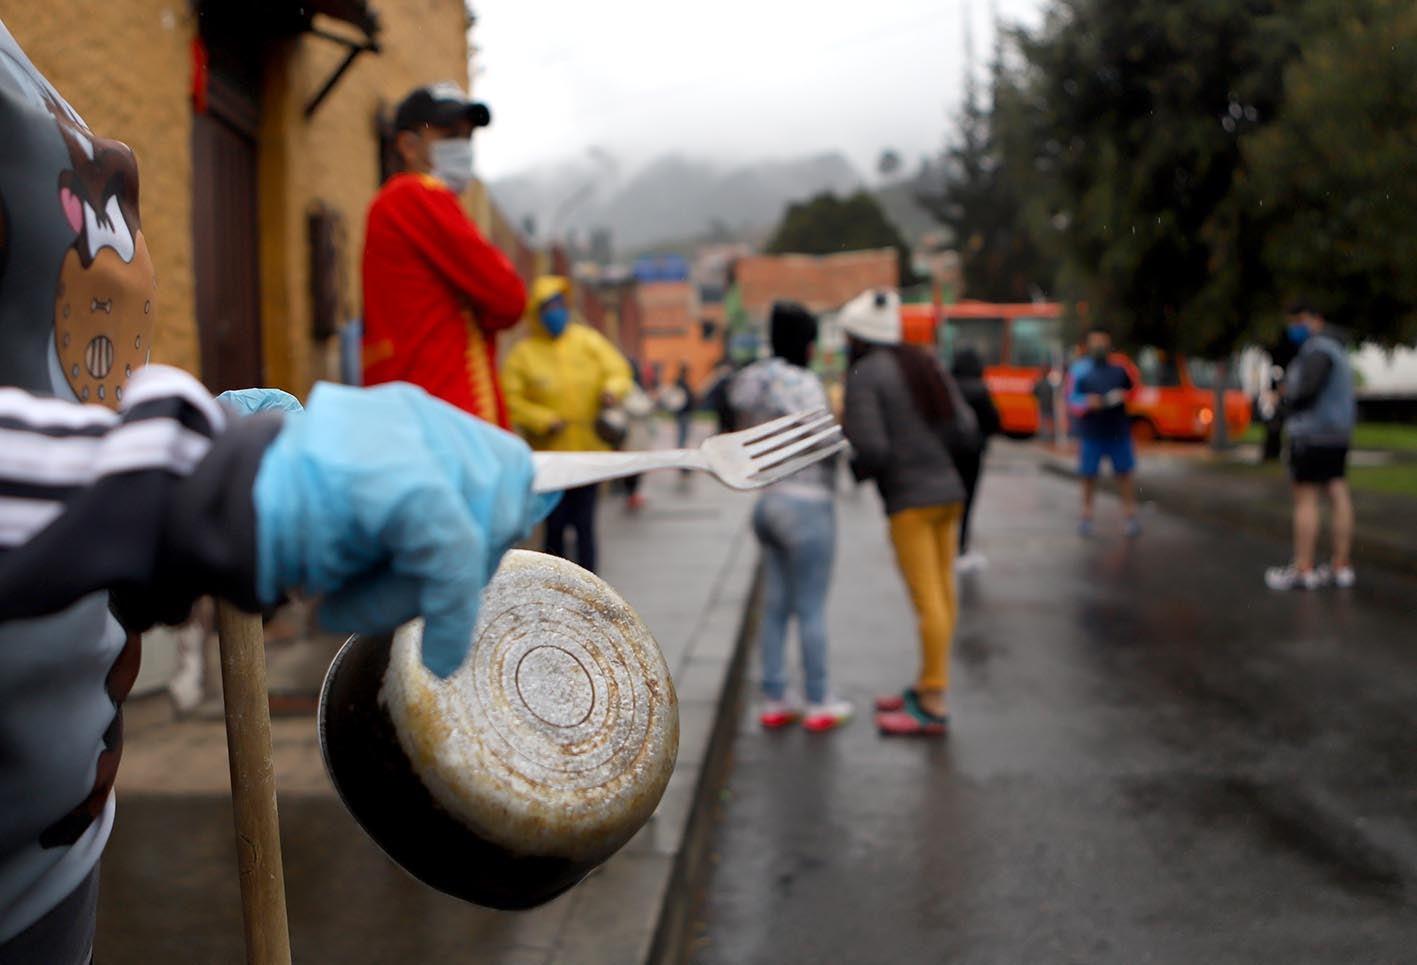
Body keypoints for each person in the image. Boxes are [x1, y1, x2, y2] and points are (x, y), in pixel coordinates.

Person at [0, 27, 552, 962]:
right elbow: (502, 294)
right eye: (447, 127)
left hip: (50, 840)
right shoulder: (415, 204)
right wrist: (186, 481)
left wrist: (193, 430)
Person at [840, 290, 976, 736]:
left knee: (927, 601)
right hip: (949, 493)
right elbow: (964, 428)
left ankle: (933, 702)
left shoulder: (864, 375)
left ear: (857, 338)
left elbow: (873, 448)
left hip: (910, 502)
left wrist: (856, 470)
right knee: (943, 594)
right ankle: (925, 684)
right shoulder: (923, 362)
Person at [361, 84, 527, 426]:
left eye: (467, 137)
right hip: (446, 415)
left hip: (421, 412)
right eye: (450, 135)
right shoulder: (417, 194)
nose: (463, 148)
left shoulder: (396, 204)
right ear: (408, 146)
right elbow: (508, 296)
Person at [730, 302, 852, 732]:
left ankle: (774, 697)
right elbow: (828, 442)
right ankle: (819, 700)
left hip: (768, 502)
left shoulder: (752, 380)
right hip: (808, 503)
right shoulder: (804, 384)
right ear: (807, 343)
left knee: (776, 607)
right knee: (812, 608)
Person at [502, 276, 633, 572]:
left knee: (585, 523)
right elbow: (511, 399)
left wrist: (611, 390)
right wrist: (543, 419)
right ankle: (556, 582)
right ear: (537, 312)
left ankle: (590, 584)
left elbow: (618, 370)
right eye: (548, 306)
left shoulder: (587, 342)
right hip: (550, 458)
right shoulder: (524, 355)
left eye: (560, 304)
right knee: (555, 525)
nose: (555, 312)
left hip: (588, 453)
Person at [1265, 302, 1357, 591]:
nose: (1295, 327)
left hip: (1312, 434)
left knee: (1305, 499)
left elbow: (1307, 391)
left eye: (1299, 320)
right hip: (1338, 434)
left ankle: (1303, 568)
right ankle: (1340, 566)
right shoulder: (1338, 349)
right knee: (1337, 490)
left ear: (1316, 319)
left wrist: (1281, 403)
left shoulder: (1318, 350)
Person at [1067, 326, 1140, 537]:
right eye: (1095, 341)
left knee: (1124, 475)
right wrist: (1088, 403)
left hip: (1118, 431)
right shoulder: (1080, 370)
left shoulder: (1121, 367)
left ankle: (1130, 517)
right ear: (1088, 344)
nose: (1099, 345)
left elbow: (1134, 390)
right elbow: (1072, 400)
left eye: (1102, 340)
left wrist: (1124, 397)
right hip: (1092, 433)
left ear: (1108, 343)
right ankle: (1086, 517)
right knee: (1088, 476)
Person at [950, 347, 1002, 572]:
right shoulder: (981, 390)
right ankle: (961, 547)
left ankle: (944, 546)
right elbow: (994, 423)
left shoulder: (948, 387)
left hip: (949, 453)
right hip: (972, 454)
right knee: (967, 501)